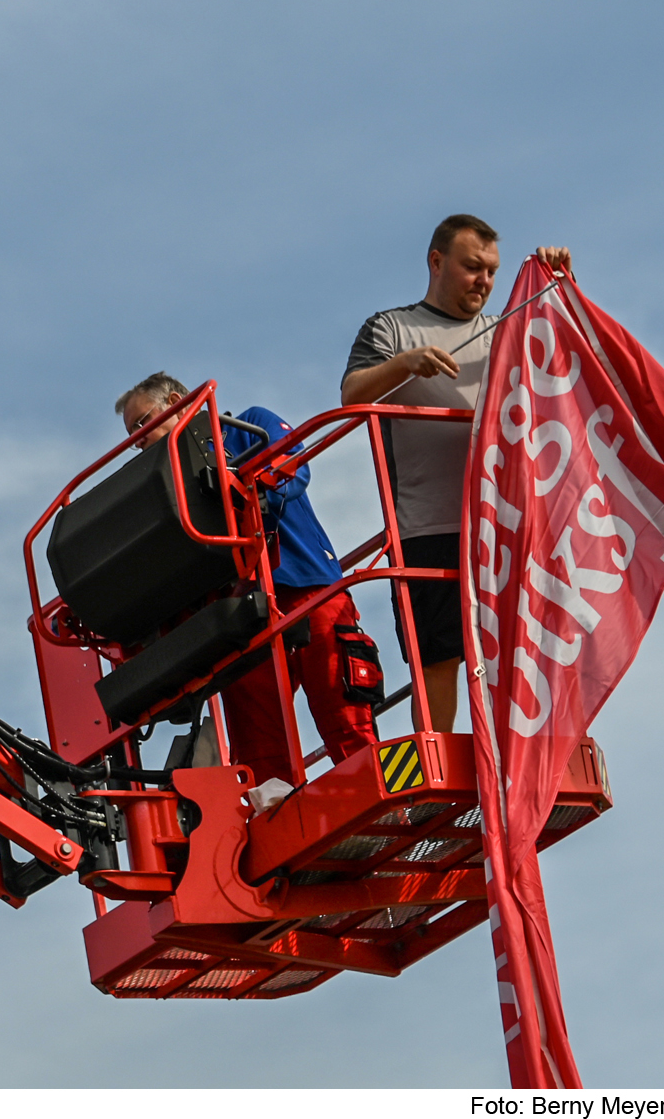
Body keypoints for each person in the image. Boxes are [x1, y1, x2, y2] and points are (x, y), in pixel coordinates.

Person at [338, 215, 571, 732]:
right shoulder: (391, 328)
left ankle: (514, 756)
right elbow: (352, 395)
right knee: (438, 659)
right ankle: (438, 761)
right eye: (472, 267)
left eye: (491, 271)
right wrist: (406, 363)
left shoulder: (505, 331)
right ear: (437, 261)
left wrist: (558, 283)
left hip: (502, 521)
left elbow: (563, 368)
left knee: (517, 652)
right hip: (425, 525)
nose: (484, 281)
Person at [114, 373, 376, 787]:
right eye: (132, 435)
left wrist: (240, 490)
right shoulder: (160, 489)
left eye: (142, 423)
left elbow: (290, 469)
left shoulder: (248, 428)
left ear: (177, 402)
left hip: (307, 589)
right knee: (261, 754)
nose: (138, 439)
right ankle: (279, 819)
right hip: (241, 616)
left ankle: (381, 804)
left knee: (345, 718)